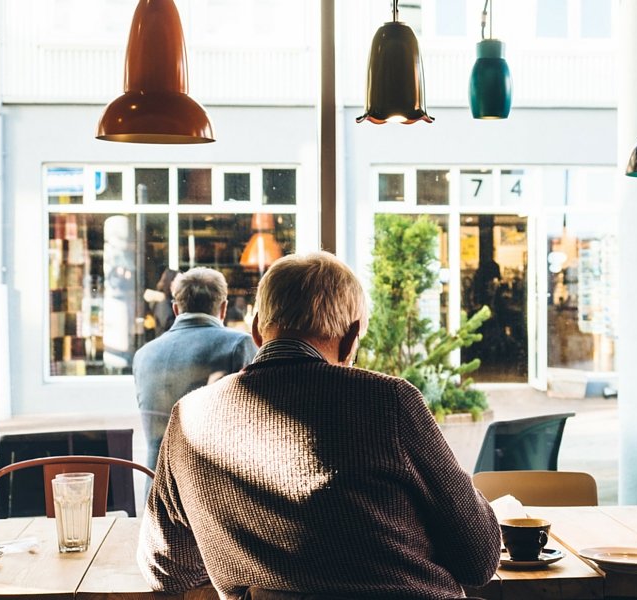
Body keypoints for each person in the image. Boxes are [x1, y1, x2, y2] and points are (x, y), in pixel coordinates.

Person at [137, 251, 500, 600]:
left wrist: (246, 554)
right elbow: (479, 558)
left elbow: (166, 568)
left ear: (257, 331)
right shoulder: (389, 402)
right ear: (351, 338)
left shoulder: (189, 417)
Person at [132, 266, 257, 472]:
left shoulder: (143, 354)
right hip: (210, 489)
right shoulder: (238, 345)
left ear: (175, 309)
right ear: (224, 308)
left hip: (156, 489)